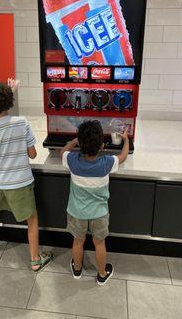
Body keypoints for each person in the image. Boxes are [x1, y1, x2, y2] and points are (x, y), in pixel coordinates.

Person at [0, 80, 52, 272]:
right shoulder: (21, 122)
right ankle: (35, 259)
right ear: (9, 101)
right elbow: (32, 154)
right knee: (31, 220)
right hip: (21, 182)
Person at [60, 120, 129, 285]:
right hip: (99, 214)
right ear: (102, 147)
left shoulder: (72, 160)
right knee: (99, 243)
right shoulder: (107, 163)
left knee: (78, 241)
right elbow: (123, 156)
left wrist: (75, 141)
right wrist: (126, 140)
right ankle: (101, 274)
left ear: (81, 145)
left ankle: (77, 269)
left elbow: (62, 151)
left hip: (77, 212)